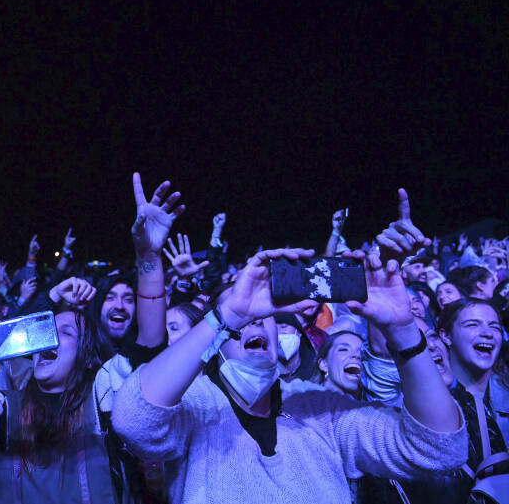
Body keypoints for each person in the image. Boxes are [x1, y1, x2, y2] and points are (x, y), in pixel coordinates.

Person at [113, 189, 466, 503]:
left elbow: (439, 451)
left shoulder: (319, 408)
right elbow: (134, 420)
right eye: (242, 318)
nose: (255, 322)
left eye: (263, 314)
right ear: (217, 342)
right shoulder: (195, 406)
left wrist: (403, 330)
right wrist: (230, 312)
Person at [0, 277, 135, 504]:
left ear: (89, 357)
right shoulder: (5, 410)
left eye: (67, 332)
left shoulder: (105, 405)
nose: (49, 339)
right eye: (45, 331)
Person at [313, 330, 363, 399]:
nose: (357, 355)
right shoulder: (304, 399)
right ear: (324, 365)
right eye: (344, 349)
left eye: (362, 353)